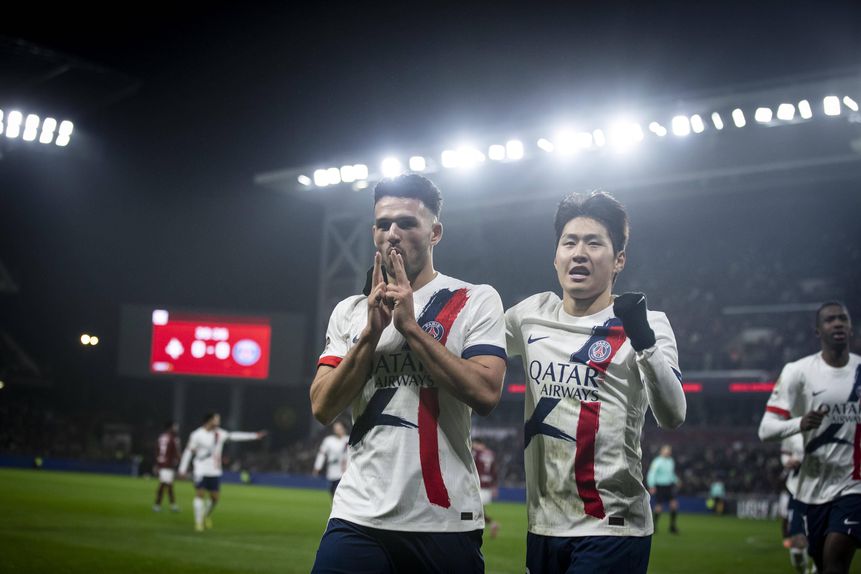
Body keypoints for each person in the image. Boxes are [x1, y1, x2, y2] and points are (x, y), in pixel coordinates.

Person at [309, 174, 508, 573]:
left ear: (435, 232)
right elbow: (322, 406)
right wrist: (370, 335)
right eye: (383, 225)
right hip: (359, 515)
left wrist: (412, 330)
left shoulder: (474, 299)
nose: (393, 234)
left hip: (444, 519)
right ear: (373, 233)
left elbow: (486, 393)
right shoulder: (350, 311)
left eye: (407, 223)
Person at [505, 190, 686, 574]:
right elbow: (469, 350)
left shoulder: (650, 323)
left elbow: (672, 414)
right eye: (569, 242)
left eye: (594, 243)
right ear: (556, 256)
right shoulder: (529, 316)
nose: (579, 252)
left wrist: (644, 341)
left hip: (613, 527)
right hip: (543, 526)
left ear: (619, 259)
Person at [759, 301, 859, 574]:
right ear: (818, 331)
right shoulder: (798, 372)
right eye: (830, 320)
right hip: (811, 490)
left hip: (853, 487)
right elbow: (766, 429)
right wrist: (799, 423)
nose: (837, 323)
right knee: (820, 561)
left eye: (843, 318)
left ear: (850, 327)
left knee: (836, 561)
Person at [178, 412, 267, 532]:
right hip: (200, 469)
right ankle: (198, 523)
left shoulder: (219, 433)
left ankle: (206, 515)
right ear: (209, 420)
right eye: (216, 419)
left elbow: (235, 436)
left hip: (214, 470)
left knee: (215, 498)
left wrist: (254, 436)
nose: (218, 422)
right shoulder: (196, 435)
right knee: (200, 494)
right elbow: (188, 451)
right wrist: (182, 469)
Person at [778, 433, 813, 573]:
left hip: (819, 495)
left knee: (822, 546)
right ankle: (803, 571)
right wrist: (788, 461)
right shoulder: (793, 435)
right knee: (796, 552)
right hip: (796, 495)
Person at [646, 444, 680, 534]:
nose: (668, 451)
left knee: (674, 505)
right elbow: (652, 473)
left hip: (669, 486)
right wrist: (652, 485)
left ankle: (672, 527)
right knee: (659, 507)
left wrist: (677, 481)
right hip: (660, 486)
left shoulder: (671, 461)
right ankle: (654, 527)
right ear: (661, 451)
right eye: (666, 450)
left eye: (669, 450)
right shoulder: (657, 461)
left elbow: (671, 474)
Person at [472, 438, 500, 538]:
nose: (473, 445)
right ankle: (492, 524)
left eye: (474, 444)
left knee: (473, 510)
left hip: (479, 485)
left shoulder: (476, 453)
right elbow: (494, 471)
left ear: (478, 444)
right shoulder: (491, 454)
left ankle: (478, 529)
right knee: (478, 510)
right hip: (487, 487)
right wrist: (495, 486)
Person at [313, 420, 349, 497]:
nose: (337, 430)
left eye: (339, 428)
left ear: (344, 429)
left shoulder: (348, 440)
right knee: (333, 493)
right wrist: (317, 467)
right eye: (336, 429)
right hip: (331, 472)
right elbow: (321, 454)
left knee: (341, 494)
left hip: (345, 473)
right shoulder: (328, 441)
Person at [153, 421, 181, 512]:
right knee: (165, 485)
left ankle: (166, 505)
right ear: (170, 427)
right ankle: (160, 505)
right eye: (175, 426)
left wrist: (157, 463)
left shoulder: (161, 437)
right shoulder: (173, 438)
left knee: (166, 484)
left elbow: (157, 450)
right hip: (168, 464)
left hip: (161, 463)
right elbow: (176, 452)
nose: (176, 428)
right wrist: (180, 462)